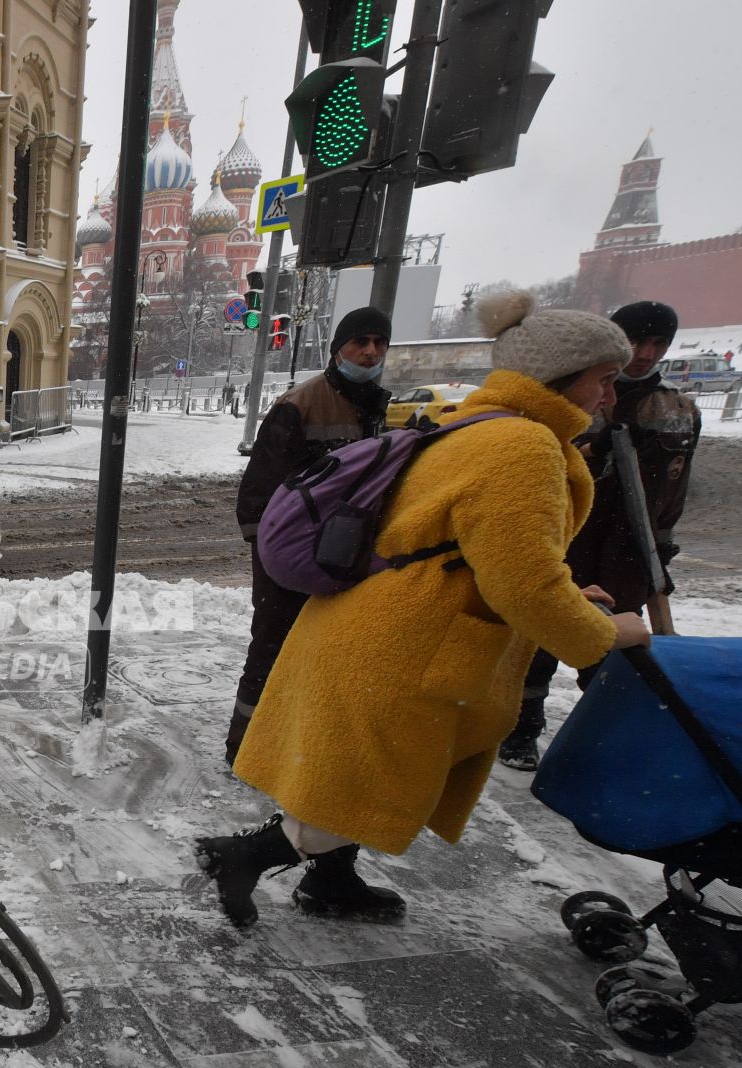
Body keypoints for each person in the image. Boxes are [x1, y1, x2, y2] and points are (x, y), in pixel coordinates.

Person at [196, 291, 652, 928]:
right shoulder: (524, 448)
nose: (609, 395)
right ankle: (241, 859)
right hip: (407, 648)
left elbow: (476, 549)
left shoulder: (475, 426)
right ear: (562, 378)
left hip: (378, 625)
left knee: (351, 774)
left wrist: (571, 592)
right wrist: (604, 634)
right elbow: (521, 585)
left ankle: (330, 882)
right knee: (365, 785)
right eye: (603, 380)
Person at [500, 300, 703, 772]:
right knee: (544, 636)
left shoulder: (675, 409)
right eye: (636, 341)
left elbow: (676, 483)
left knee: (616, 650)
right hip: (573, 538)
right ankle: (523, 728)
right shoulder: (570, 396)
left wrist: (662, 543)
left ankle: (600, 739)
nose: (646, 353)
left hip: (631, 549)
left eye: (658, 344)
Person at [226, 306, 393, 771]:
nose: (370, 351)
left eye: (379, 342)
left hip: (348, 551)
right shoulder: (301, 404)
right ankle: (244, 744)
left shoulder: (380, 405)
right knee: (273, 643)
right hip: (293, 551)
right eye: (360, 341)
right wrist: (268, 555)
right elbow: (260, 488)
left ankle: (302, 740)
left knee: (330, 649)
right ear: (339, 346)